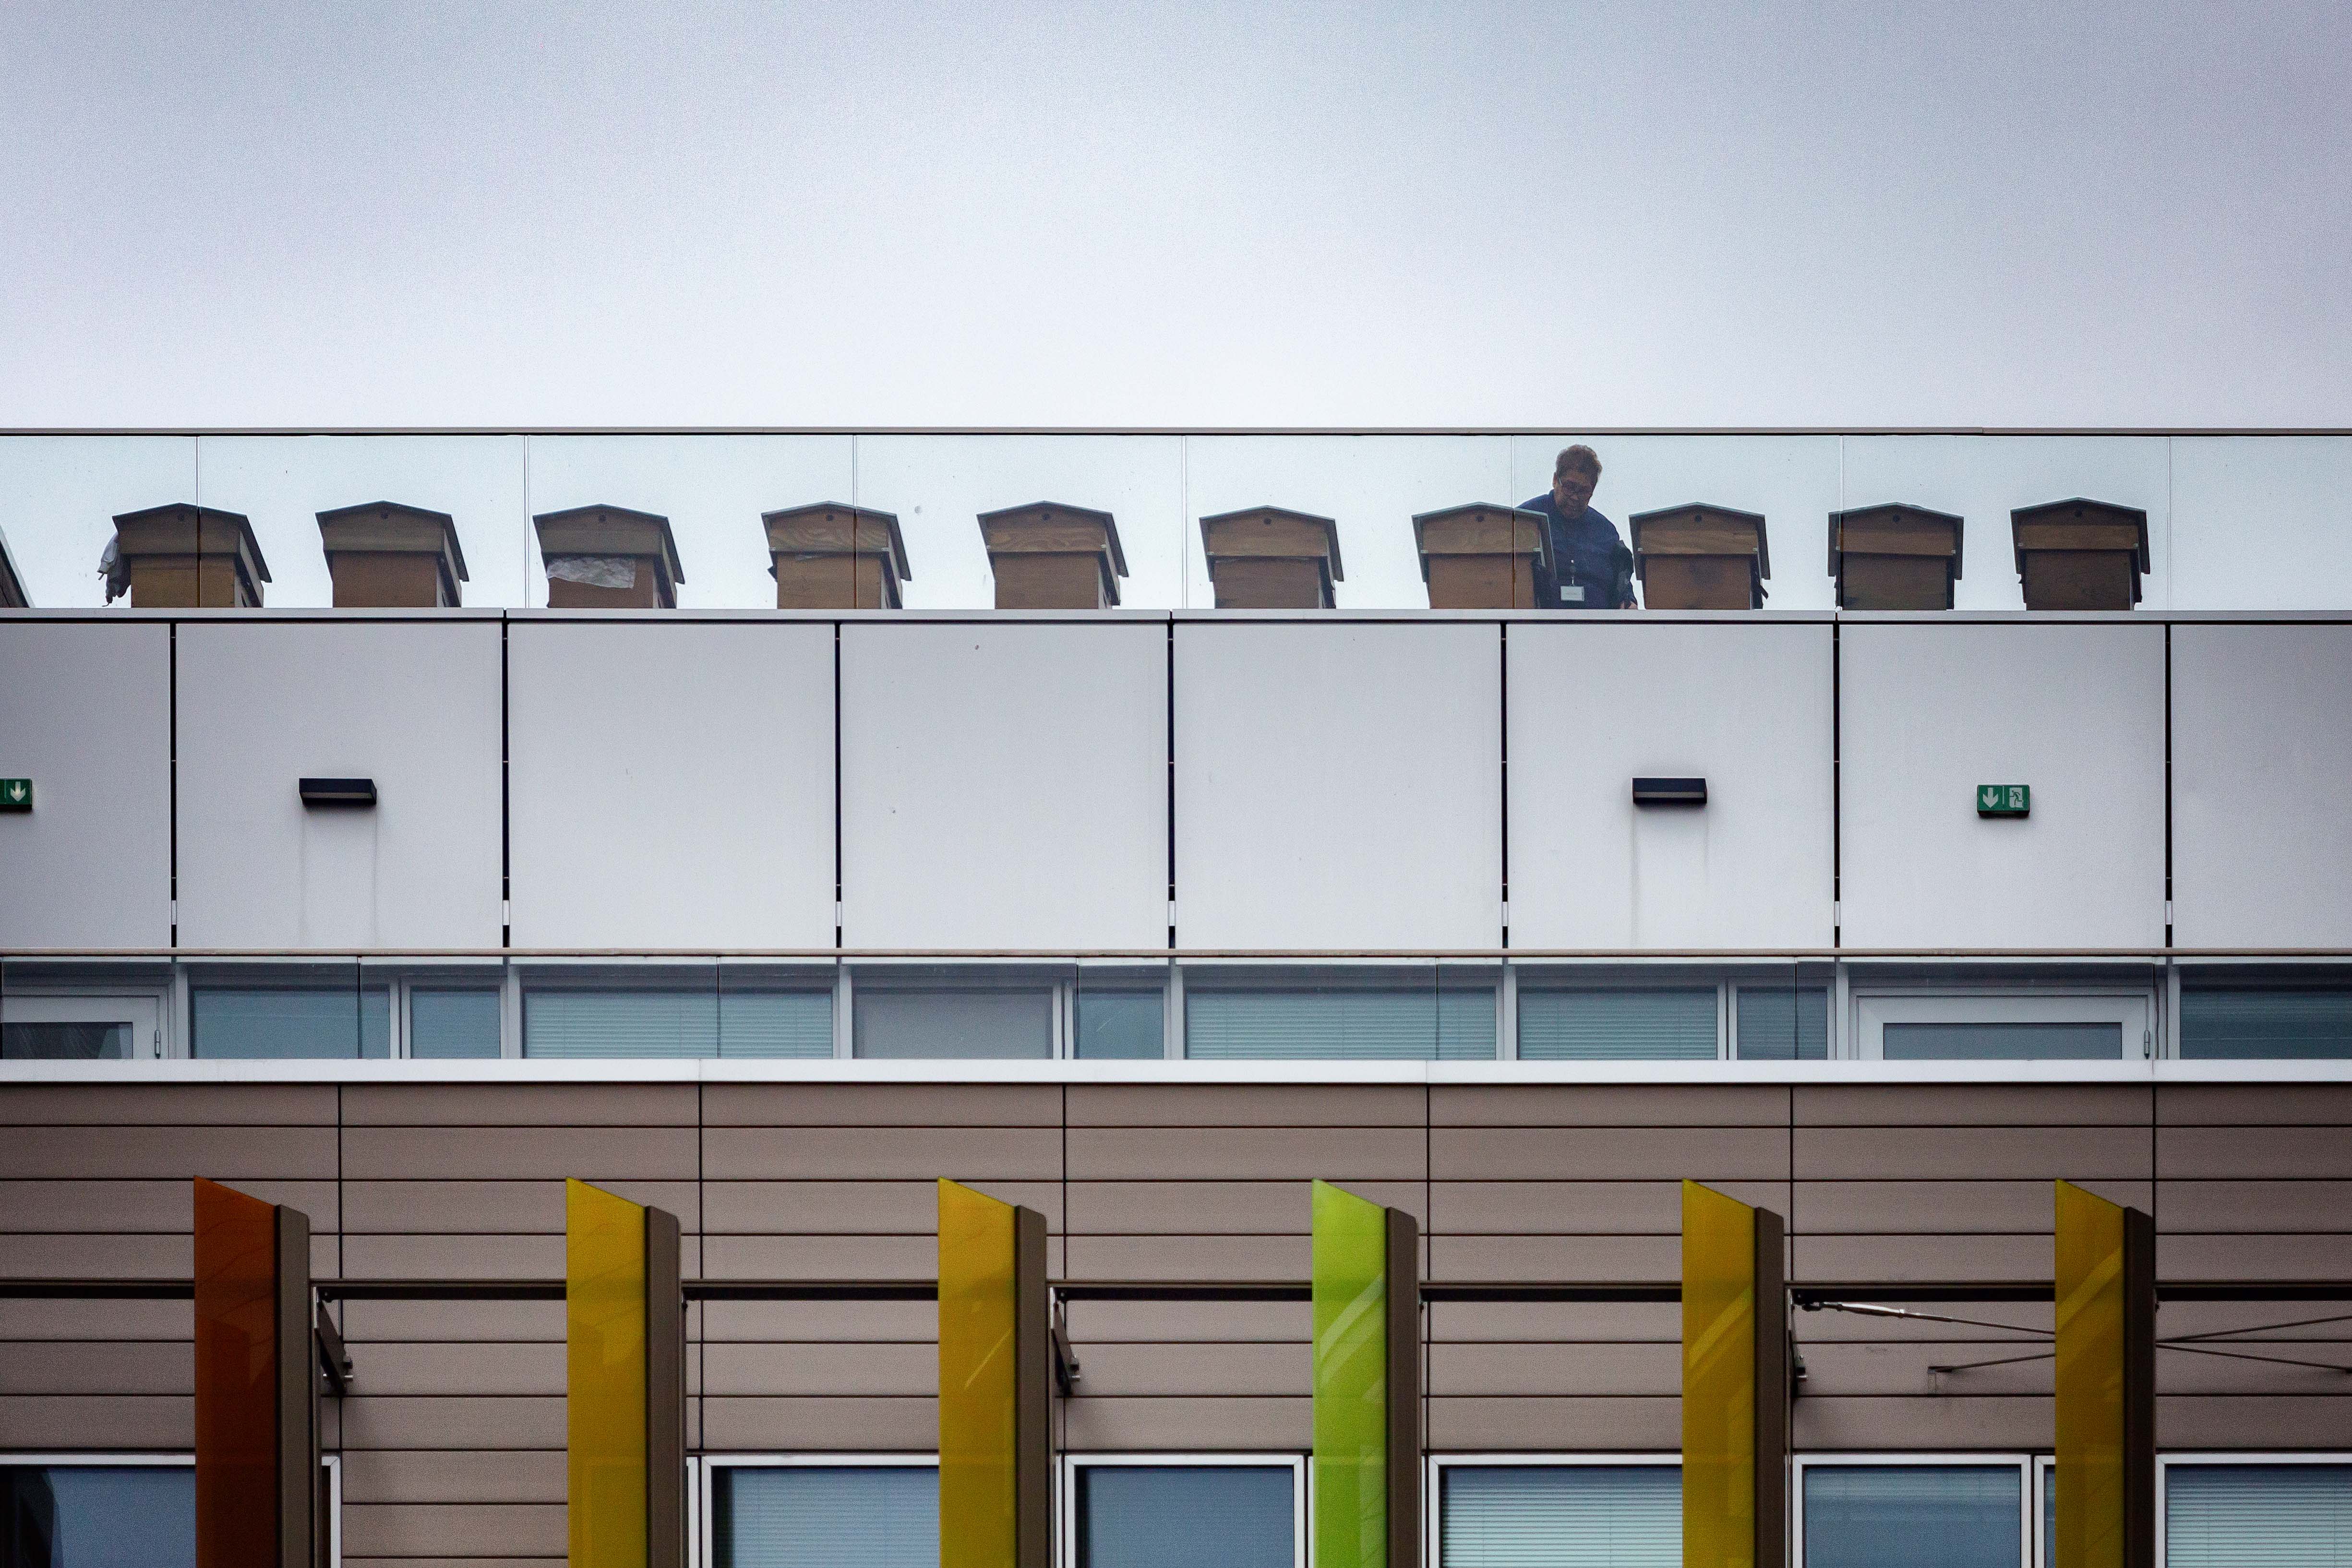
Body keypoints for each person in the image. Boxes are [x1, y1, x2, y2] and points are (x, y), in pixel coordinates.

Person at [1523, 445, 1636, 609]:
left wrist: (1628, 601)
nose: (1575, 497)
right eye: (1569, 487)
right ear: (1555, 480)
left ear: (1593, 491)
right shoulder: (1526, 520)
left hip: (1598, 622)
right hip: (1540, 620)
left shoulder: (1605, 531)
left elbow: (1622, 582)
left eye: (1583, 491)